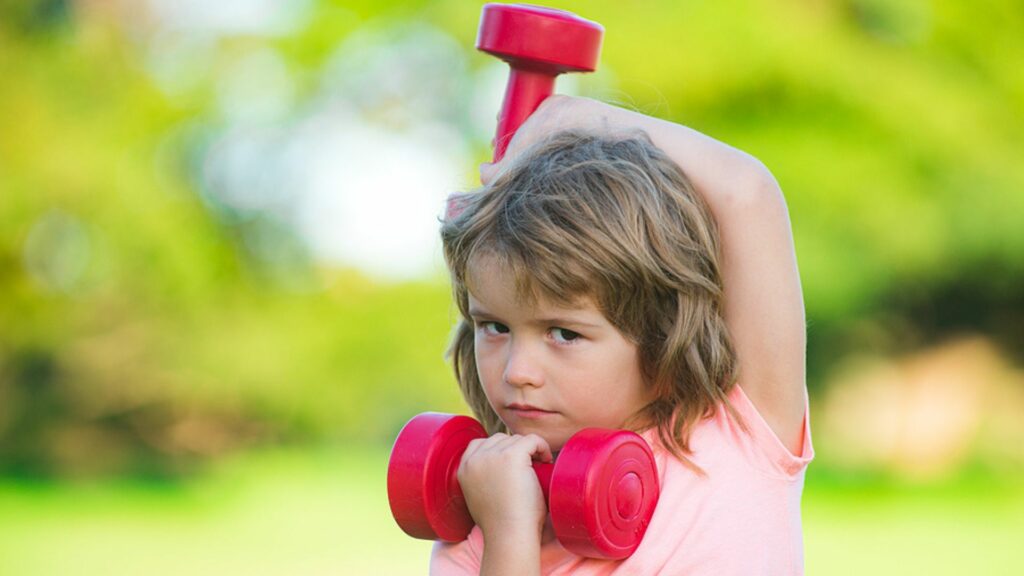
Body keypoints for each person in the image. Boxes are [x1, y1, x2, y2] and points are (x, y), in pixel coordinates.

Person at [432, 95, 813, 575]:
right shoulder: (483, 513)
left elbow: (747, 192)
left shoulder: (740, 437)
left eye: (564, 333)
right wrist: (509, 530)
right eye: (495, 327)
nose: (517, 372)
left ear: (662, 337)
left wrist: (572, 118)